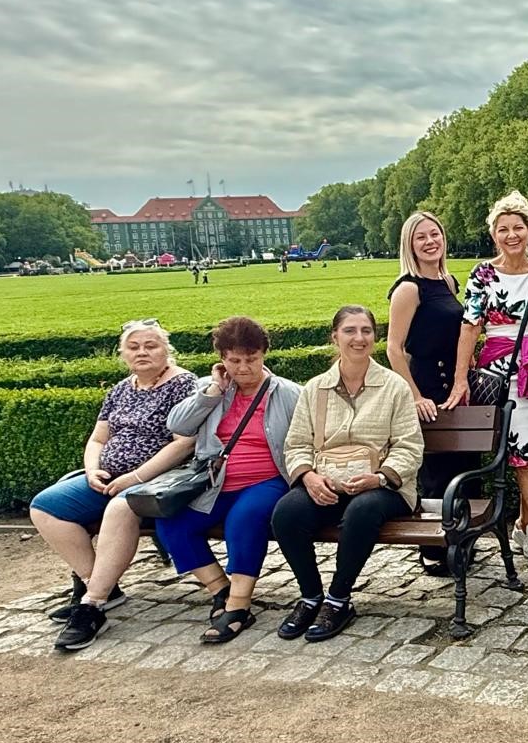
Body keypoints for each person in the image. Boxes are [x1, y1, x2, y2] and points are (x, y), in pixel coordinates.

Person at [29, 320, 196, 651]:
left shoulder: (183, 384)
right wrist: (92, 471)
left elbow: (184, 442)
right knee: (45, 507)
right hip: (107, 479)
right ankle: (104, 587)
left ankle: (91, 606)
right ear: (123, 354)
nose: (142, 352)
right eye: (133, 347)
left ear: (167, 349)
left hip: (157, 481)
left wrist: (134, 478)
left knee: (123, 506)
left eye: (151, 345)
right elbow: (98, 438)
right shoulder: (120, 389)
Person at [271, 305, 423, 642]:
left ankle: (338, 599)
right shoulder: (316, 388)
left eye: (366, 331)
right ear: (335, 337)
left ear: (375, 336)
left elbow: (409, 446)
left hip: (384, 488)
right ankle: (310, 596)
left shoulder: (393, 386)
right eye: (350, 331)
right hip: (328, 482)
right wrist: (309, 477)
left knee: (363, 510)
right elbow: (295, 444)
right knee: (286, 513)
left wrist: (380, 477)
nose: (359, 338)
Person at [447, 192, 528, 581]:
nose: (511, 234)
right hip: (502, 375)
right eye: (503, 229)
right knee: (525, 462)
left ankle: (523, 528)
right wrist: (459, 378)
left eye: (518, 227)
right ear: (493, 235)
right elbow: (470, 326)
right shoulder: (482, 275)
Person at [158, 317, 301, 642]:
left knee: (245, 517)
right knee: (172, 522)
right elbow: (177, 425)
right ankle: (220, 589)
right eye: (234, 360)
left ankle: (239, 606)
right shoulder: (211, 391)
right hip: (216, 482)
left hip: (268, 479)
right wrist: (212, 391)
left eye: (251, 359)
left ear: (264, 354)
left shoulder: (289, 393)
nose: (243, 368)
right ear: (221, 359)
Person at [387, 210, 474, 508]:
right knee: (437, 472)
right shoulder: (408, 288)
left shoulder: (448, 282)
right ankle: (434, 546)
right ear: (409, 245)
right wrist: (415, 396)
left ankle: (464, 540)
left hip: (457, 384)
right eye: (420, 237)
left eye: (434, 234)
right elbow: (394, 349)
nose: (429, 242)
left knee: (465, 466)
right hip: (428, 386)